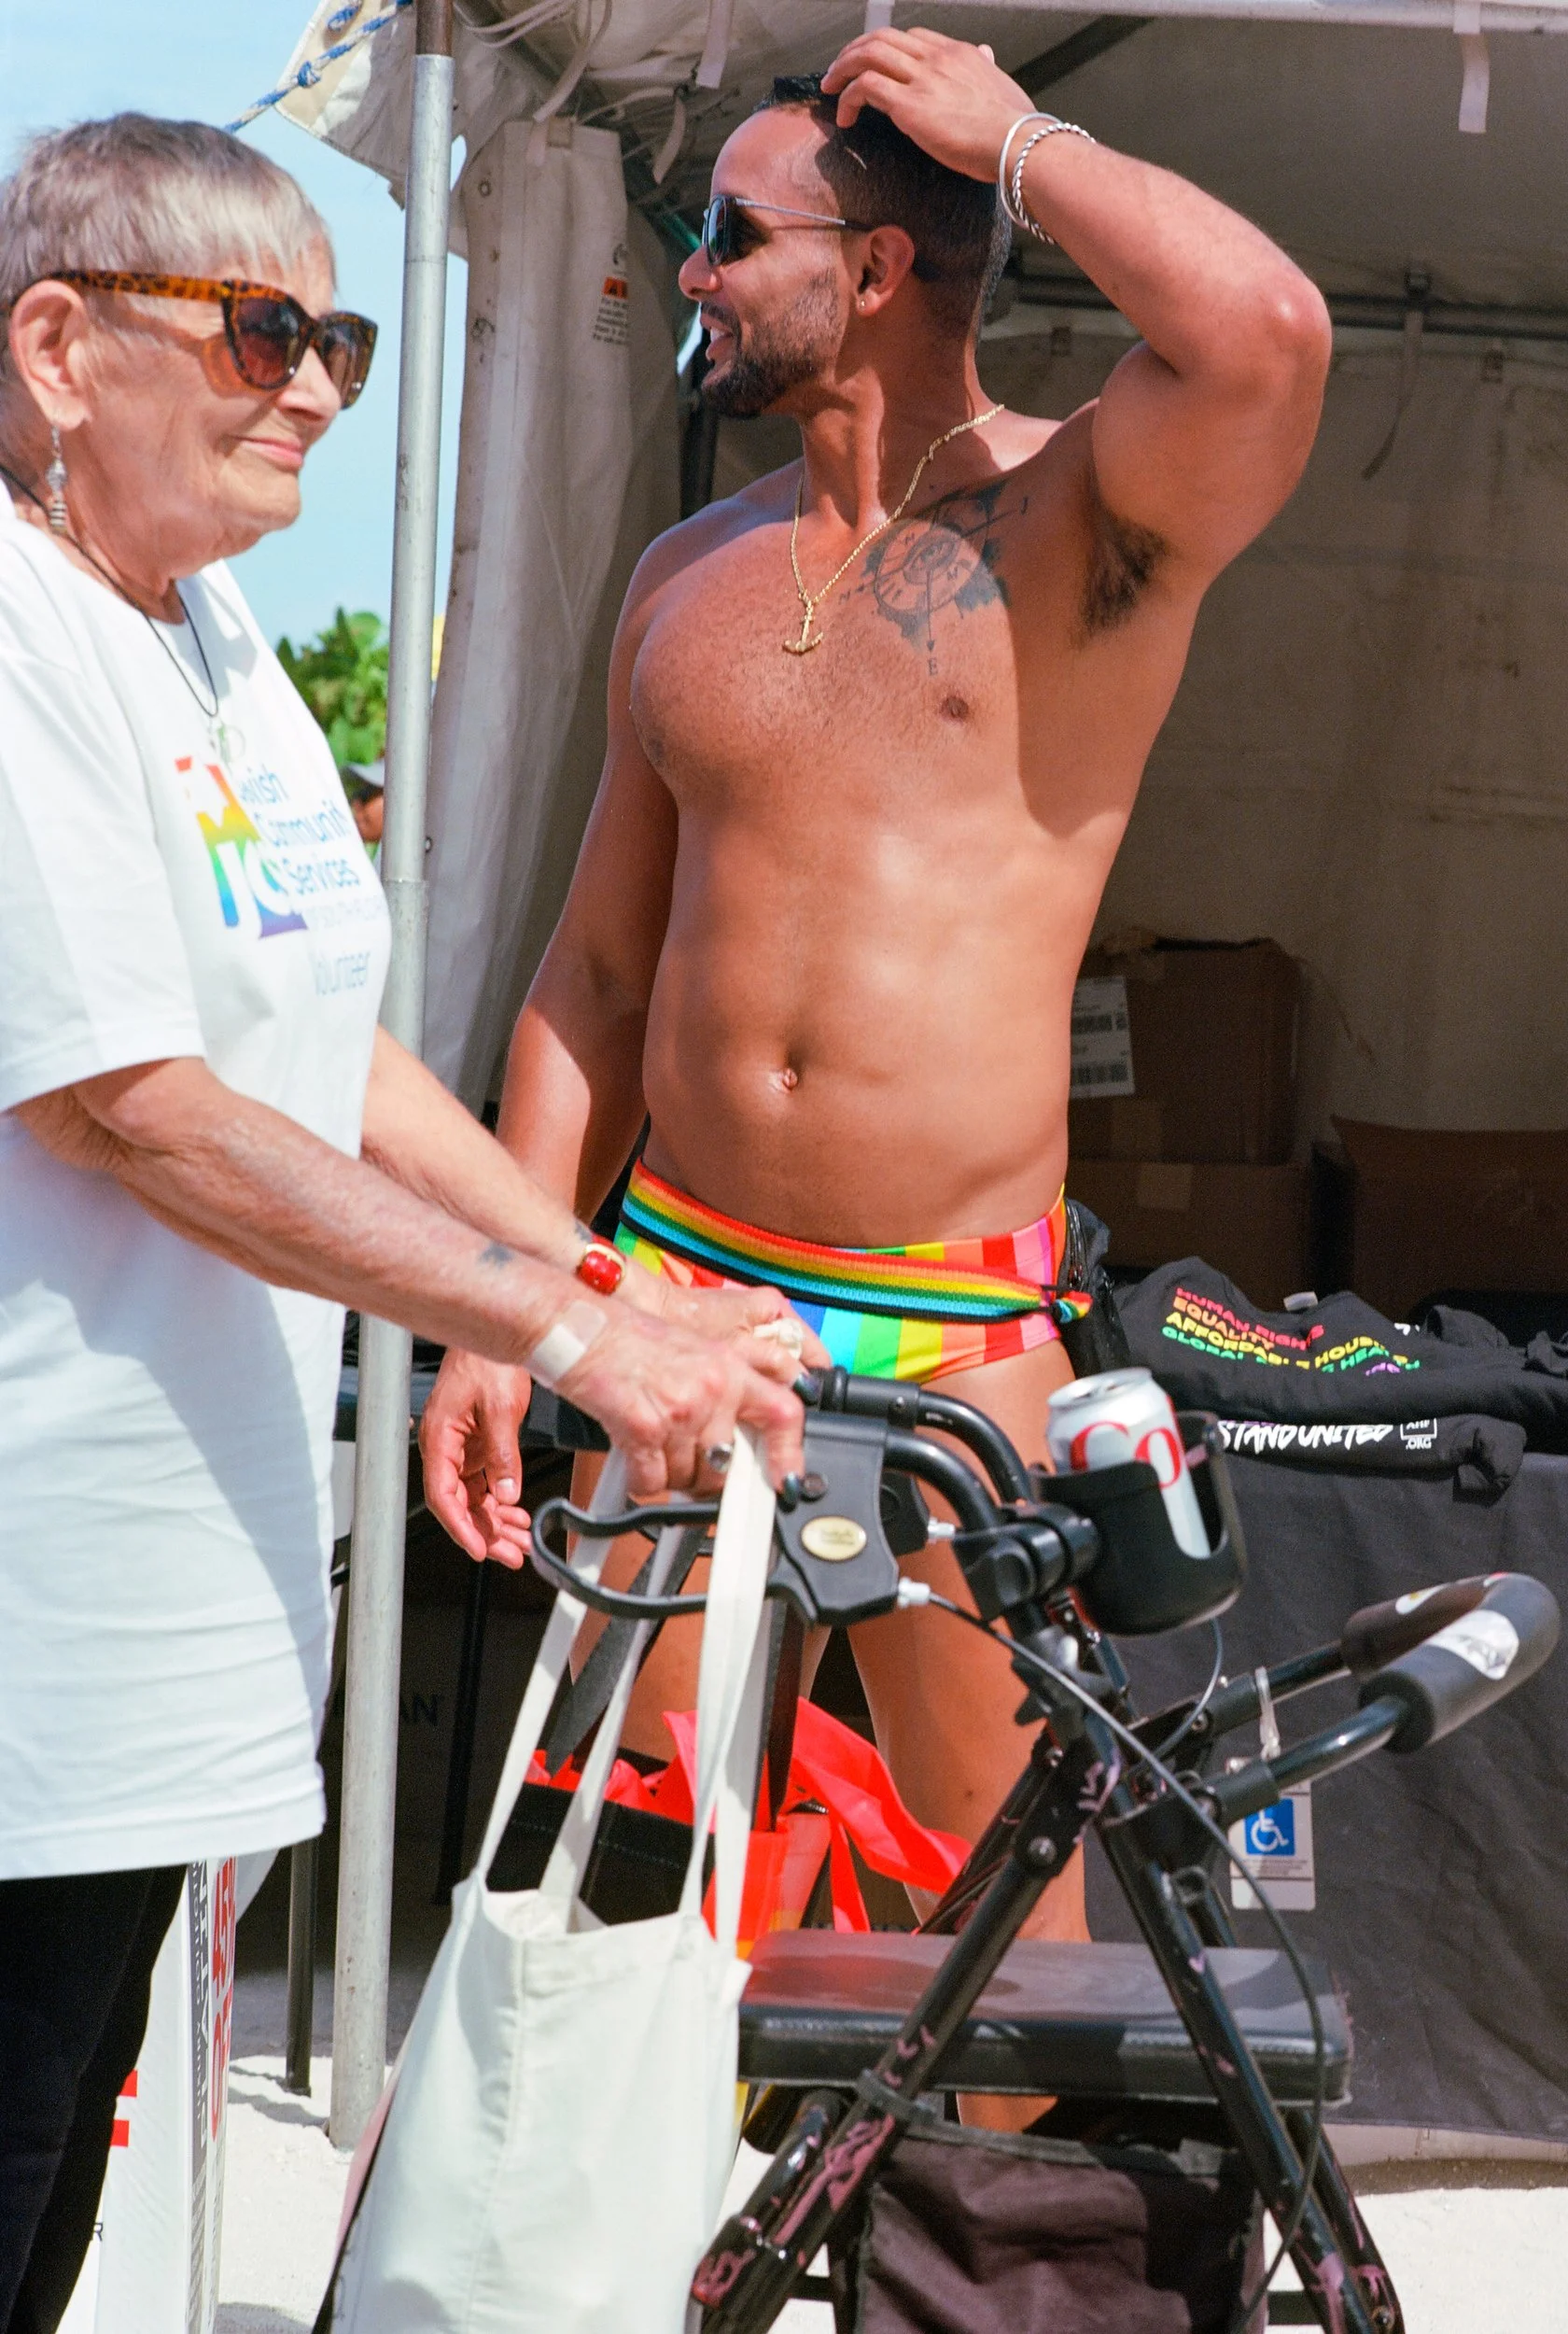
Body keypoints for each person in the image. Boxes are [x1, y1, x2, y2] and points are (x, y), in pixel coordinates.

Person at [0, 118, 804, 2334]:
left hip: (165, 1606)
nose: (322, 387)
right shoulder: (16, 629)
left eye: (340, 334)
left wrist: (594, 1281)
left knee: (57, 2154)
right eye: (264, 331)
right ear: (60, 345)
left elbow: (319, 1044)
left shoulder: (209, 625)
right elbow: (132, 1109)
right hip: (33, 1612)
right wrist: (566, 1344)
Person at [417, 33, 1330, 1924]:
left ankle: (967, 2223)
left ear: (877, 268)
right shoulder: (690, 568)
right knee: (621, 1915)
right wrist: (508, 1299)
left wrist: (1018, 140)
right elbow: (589, 975)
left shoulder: (1084, 519)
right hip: (671, 1310)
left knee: (999, 1944)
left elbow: (1261, 331)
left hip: (950, 1341)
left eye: (733, 233)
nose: (691, 269)